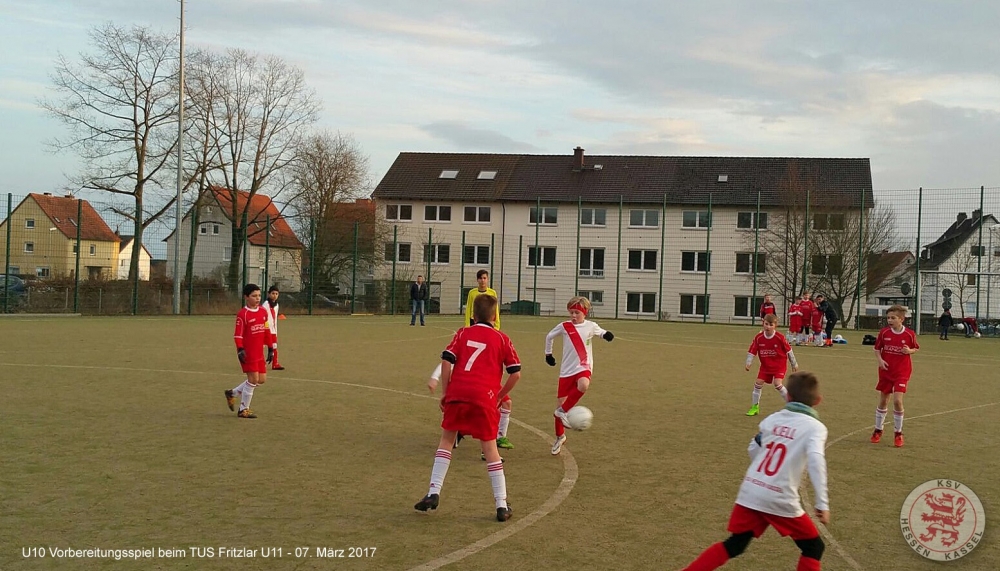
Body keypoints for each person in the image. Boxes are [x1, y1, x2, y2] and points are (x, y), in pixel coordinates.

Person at [681, 371, 829, 571]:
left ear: (788, 396)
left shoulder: (772, 419)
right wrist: (822, 503)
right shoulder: (815, 428)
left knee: (735, 545)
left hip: (751, 491)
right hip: (779, 496)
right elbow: (816, 460)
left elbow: (753, 448)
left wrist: (763, 476)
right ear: (818, 401)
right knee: (814, 547)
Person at [414, 293, 521, 522]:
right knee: (490, 449)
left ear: (473, 315)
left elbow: (446, 360)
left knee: (446, 440)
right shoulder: (502, 339)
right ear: (495, 316)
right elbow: (515, 373)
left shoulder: (463, 333)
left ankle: (433, 492)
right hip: (485, 398)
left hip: (458, 393)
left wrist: (446, 392)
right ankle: (501, 505)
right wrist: (499, 396)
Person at [544, 296, 614, 455]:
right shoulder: (564, 326)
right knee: (559, 405)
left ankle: (563, 411)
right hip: (566, 370)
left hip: (583, 366)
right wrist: (548, 354)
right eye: (571, 313)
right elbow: (549, 336)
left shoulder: (591, 326)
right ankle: (560, 437)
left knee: (583, 384)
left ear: (585, 312)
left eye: (577, 313)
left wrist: (607, 335)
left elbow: (601, 332)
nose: (573, 316)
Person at [463, 270, 513, 450]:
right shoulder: (472, 293)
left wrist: (496, 329)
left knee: (502, 403)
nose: (483, 280)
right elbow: (469, 311)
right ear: (477, 280)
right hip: (476, 333)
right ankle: (489, 443)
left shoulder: (492, 293)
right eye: (481, 278)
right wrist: (468, 328)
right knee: (489, 407)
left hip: (489, 332)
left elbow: (495, 313)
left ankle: (496, 437)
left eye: (485, 278)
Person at [224, 284, 276, 419]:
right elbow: (238, 335)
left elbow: (266, 330)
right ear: (246, 297)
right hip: (248, 352)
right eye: (254, 296)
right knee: (253, 379)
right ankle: (243, 410)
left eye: (259, 295)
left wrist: (271, 348)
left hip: (259, 352)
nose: (257, 298)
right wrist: (240, 349)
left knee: (261, 379)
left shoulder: (263, 312)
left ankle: (232, 393)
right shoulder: (243, 314)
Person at [871, 305, 919, 448]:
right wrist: (880, 361)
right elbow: (877, 349)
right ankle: (878, 430)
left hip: (902, 372)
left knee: (897, 401)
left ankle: (898, 433)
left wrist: (909, 351)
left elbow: (915, 348)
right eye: (888, 318)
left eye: (893, 318)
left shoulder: (909, 334)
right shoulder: (884, 332)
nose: (890, 320)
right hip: (886, 371)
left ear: (901, 319)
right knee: (884, 400)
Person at [745, 314, 798, 417]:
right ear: (763, 323)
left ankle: (791, 405)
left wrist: (794, 363)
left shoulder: (780, 337)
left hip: (779, 365)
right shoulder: (759, 338)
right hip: (765, 366)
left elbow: (789, 351)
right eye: (766, 324)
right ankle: (755, 407)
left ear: (775, 326)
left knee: (777, 383)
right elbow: (752, 350)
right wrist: (748, 362)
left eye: (771, 324)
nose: (768, 327)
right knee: (758, 383)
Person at [263, 285, 285, 370]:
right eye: (273, 293)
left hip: (273, 330)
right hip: (265, 329)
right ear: (269, 294)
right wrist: (265, 327)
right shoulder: (265, 304)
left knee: (274, 346)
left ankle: (275, 363)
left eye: (276, 294)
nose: (275, 295)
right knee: (261, 346)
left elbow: (274, 318)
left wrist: (275, 330)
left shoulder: (277, 305)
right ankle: (260, 363)